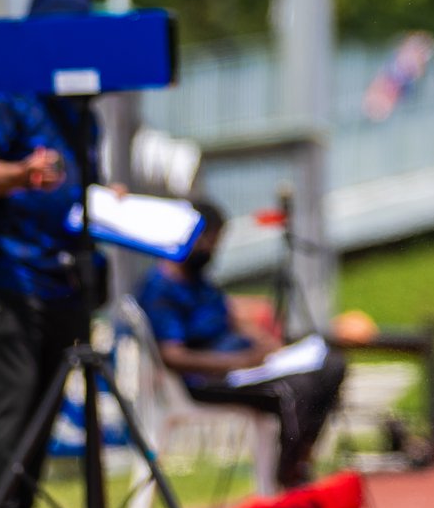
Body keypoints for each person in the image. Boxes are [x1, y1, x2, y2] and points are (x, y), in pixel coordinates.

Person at [0, 0, 110, 508]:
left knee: (48, 402)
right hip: (11, 271)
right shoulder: (2, 95)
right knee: (13, 401)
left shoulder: (79, 106)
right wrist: (22, 173)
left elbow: (81, 181)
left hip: (66, 274)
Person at [135, 202, 348, 491]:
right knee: (297, 389)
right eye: (209, 240)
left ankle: (301, 459)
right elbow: (173, 356)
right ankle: (287, 479)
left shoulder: (200, 282)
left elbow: (228, 318)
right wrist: (242, 361)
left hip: (244, 368)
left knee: (331, 365)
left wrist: (262, 341)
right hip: (206, 381)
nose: (213, 248)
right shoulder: (161, 288)